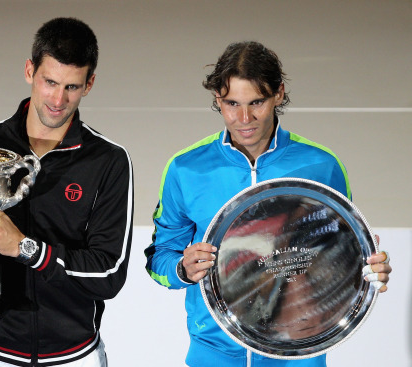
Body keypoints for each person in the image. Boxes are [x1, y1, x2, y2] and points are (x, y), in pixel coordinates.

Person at [144, 41, 391, 367]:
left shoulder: (321, 165)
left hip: (298, 352)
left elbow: (338, 255)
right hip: (214, 352)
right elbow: (159, 259)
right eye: (231, 103)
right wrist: (182, 270)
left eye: (257, 102)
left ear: (278, 93)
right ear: (217, 98)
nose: (244, 118)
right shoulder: (185, 169)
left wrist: (369, 271)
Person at [0, 17, 133, 367]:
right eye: (50, 82)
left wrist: (24, 248)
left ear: (90, 84)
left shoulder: (108, 160)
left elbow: (108, 275)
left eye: (72, 87)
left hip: (74, 358)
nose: (58, 100)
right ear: (30, 70)